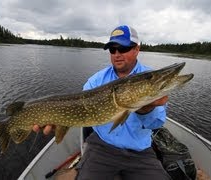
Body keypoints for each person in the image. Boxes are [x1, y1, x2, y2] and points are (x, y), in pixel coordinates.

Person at [33, 25, 171, 180]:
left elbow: (156, 124)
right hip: (102, 147)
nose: (117, 54)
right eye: (113, 49)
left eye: (123, 48)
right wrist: (59, 123)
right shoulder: (95, 82)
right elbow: (77, 112)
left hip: (140, 151)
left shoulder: (150, 79)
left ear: (136, 49)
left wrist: (145, 110)